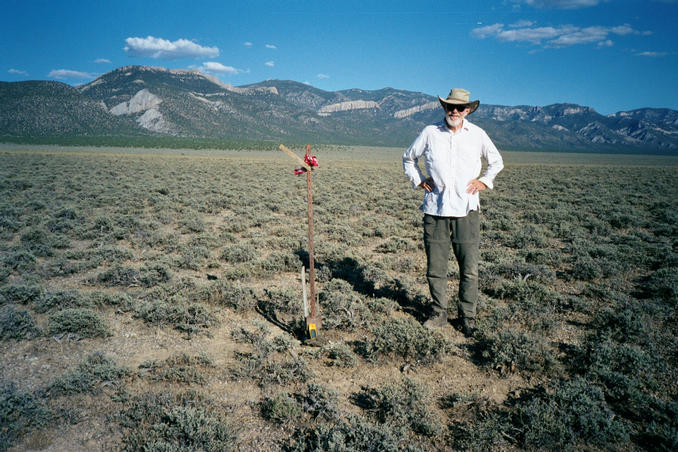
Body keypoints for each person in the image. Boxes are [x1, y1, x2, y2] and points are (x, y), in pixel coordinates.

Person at [402, 88, 503, 336]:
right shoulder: (430, 132)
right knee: (436, 268)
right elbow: (408, 158)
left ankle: (467, 316)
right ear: (444, 108)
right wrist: (418, 180)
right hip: (435, 209)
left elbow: (496, 161)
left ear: (468, 110)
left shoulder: (477, 135)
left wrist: (484, 181)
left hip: (467, 210)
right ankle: (439, 312)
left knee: (469, 268)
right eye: (450, 107)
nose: (454, 111)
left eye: (459, 108)